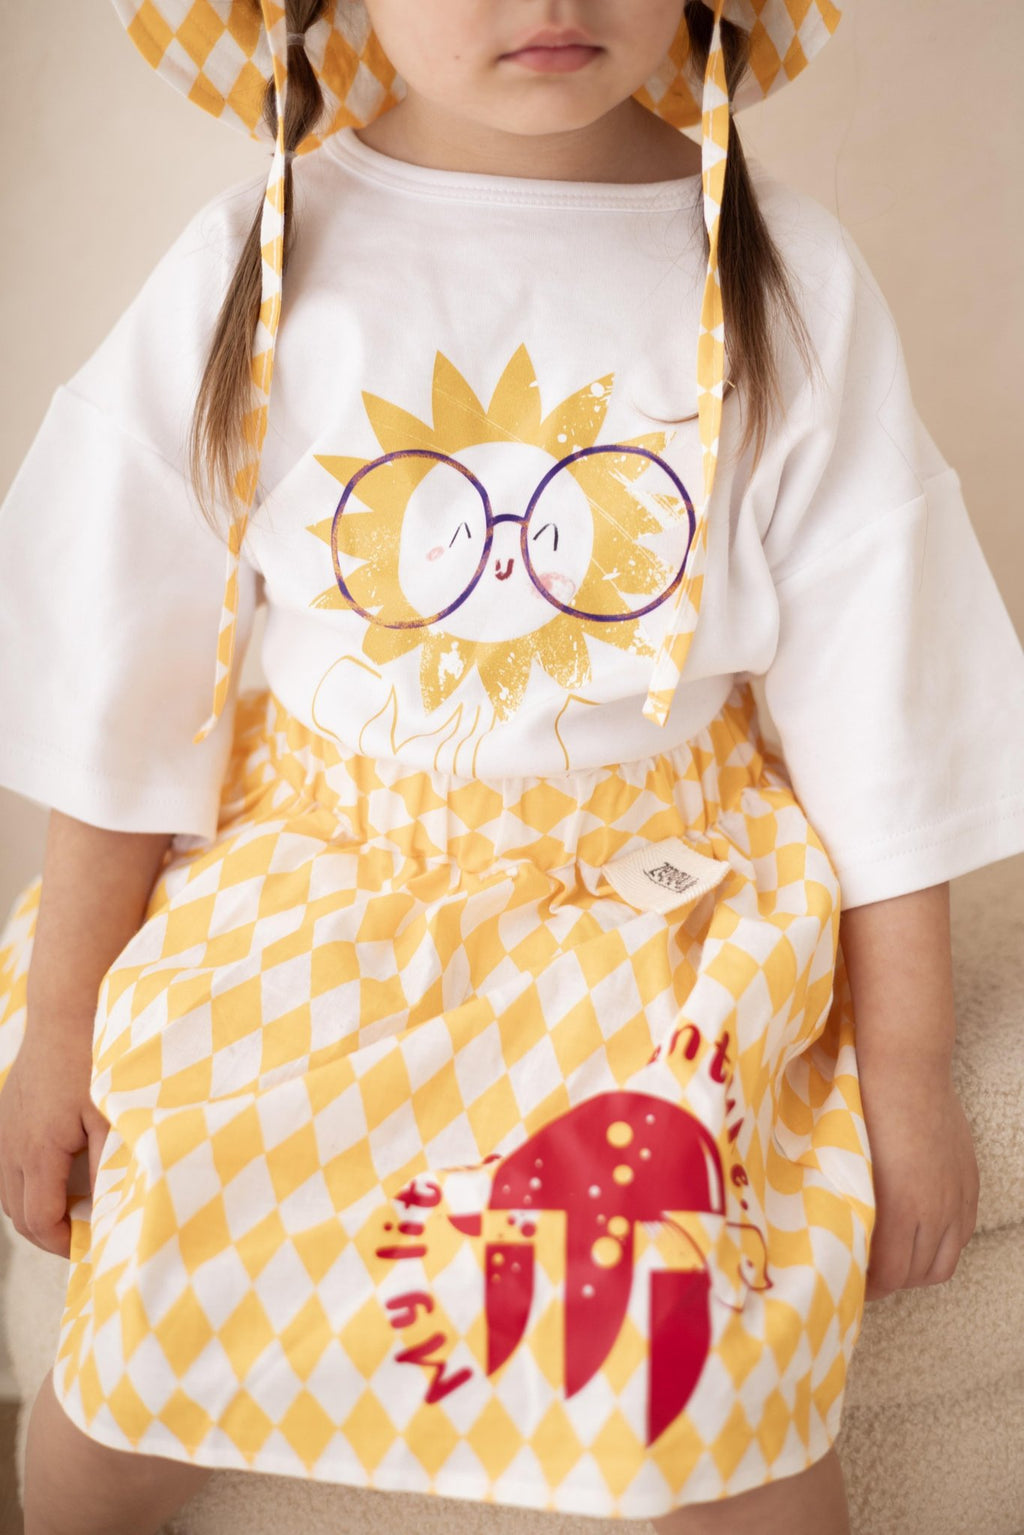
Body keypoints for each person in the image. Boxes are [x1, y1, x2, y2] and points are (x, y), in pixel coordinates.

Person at [0, 1, 1021, 1532]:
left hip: (650, 902)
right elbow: (130, 676)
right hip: (326, 863)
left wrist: (908, 1074)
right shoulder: (258, 255)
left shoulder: (777, 266)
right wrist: (62, 1024)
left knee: (728, 1379)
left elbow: (886, 696)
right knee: (142, 1307)